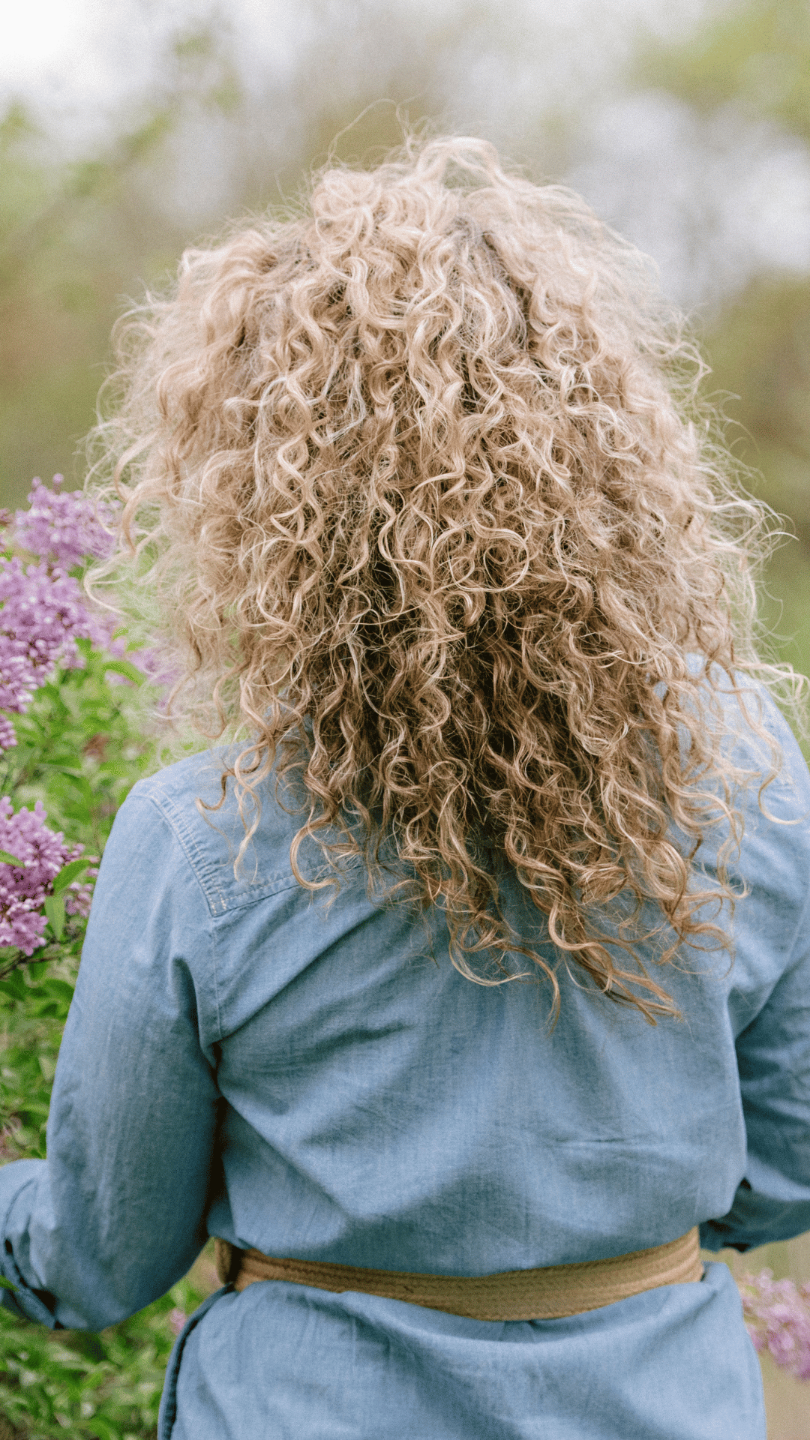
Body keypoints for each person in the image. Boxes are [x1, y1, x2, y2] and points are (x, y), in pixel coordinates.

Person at [1, 133, 809, 1440]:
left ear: (266, 509)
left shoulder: (204, 837)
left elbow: (98, 1259)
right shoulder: (747, 767)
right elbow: (788, 1157)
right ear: (604, 460)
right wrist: (588, 1242)